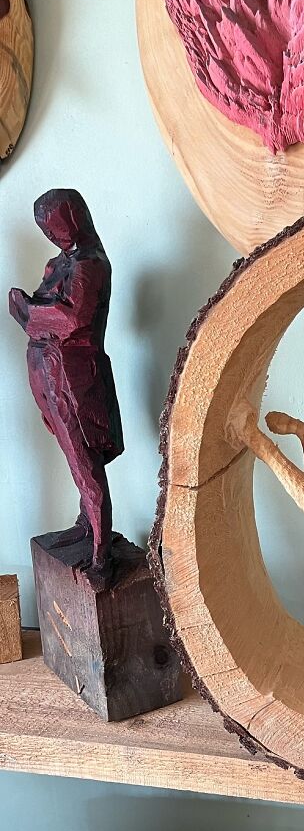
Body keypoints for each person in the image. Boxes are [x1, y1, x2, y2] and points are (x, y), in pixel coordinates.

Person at [8, 189, 123, 587]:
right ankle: (86, 525)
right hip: (48, 372)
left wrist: (26, 309)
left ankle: (101, 555)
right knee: (73, 456)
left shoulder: (91, 266)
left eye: (54, 225)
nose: (51, 235)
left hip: (73, 377)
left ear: (73, 218)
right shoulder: (61, 264)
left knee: (84, 461)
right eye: (45, 228)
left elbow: (69, 321)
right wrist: (31, 310)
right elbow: (48, 314)